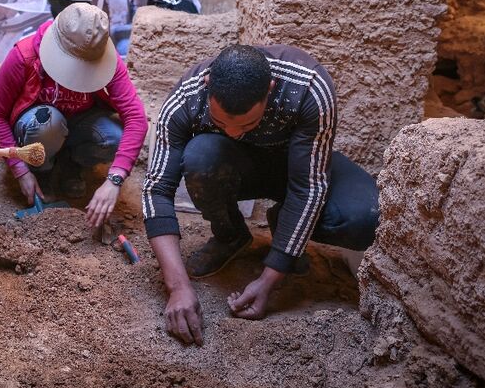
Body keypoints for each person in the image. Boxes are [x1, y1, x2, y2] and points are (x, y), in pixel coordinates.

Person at [142, 44, 379, 344]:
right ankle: (231, 236)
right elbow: (156, 188)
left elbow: (309, 187)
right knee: (201, 157)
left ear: (270, 89)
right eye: (220, 123)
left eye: (248, 124)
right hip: (236, 166)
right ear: (207, 85)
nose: (234, 133)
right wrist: (177, 286)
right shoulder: (187, 96)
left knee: (367, 219)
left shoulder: (308, 86)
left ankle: (285, 227)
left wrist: (271, 277)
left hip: (300, 165)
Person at [0, 3, 147, 228]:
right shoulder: (24, 56)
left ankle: (72, 164)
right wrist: (20, 170)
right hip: (39, 130)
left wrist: (115, 179)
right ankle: (41, 170)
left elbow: (136, 118)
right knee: (48, 123)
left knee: (114, 136)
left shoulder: (107, 58)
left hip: (78, 124)